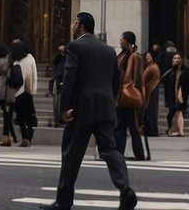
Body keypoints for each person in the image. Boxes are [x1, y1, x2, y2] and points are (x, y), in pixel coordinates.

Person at [39, 11, 137, 210]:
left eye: (74, 22)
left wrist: (64, 108)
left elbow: (69, 78)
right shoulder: (109, 50)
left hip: (81, 109)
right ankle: (125, 189)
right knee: (111, 150)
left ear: (80, 25)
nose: (71, 26)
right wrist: (110, 99)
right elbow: (116, 79)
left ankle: (63, 201)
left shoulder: (75, 46)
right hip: (104, 108)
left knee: (71, 155)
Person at [113, 30, 145, 161]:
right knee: (122, 125)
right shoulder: (124, 55)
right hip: (122, 97)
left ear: (128, 41)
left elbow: (136, 77)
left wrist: (135, 91)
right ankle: (120, 153)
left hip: (128, 96)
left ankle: (138, 154)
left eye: (122, 39)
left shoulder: (134, 56)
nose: (120, 41)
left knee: (131, 127)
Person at [13, 40, 39, 147]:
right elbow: (34, 74)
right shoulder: (30, 58)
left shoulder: (14, 60)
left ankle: (24, 137)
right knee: (29, 116)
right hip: (27, 91)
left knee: (20, 116)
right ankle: (28, 137)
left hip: (17, 91)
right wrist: (33, 89)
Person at [164, 51, 189, 137]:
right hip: (172, 96)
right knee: (172, 114)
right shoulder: (171, 72)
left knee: (178, 113)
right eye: (175, 58)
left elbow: (187, 84)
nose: (176, 60)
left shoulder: (185, 71)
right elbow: (167, 85)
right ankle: (174, 130)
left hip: (181, 96)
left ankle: (178, 131)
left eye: (178, 58)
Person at [141, 49, 162, 138]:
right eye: (146, 56)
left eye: (149, 56)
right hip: (150, 89)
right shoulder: (150, 66)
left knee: (150, 110)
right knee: (150, 110)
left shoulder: (152, 67)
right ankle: (150, 128)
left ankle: (151, 129)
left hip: (151, 90)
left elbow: (144, 80)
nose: (147, 57)